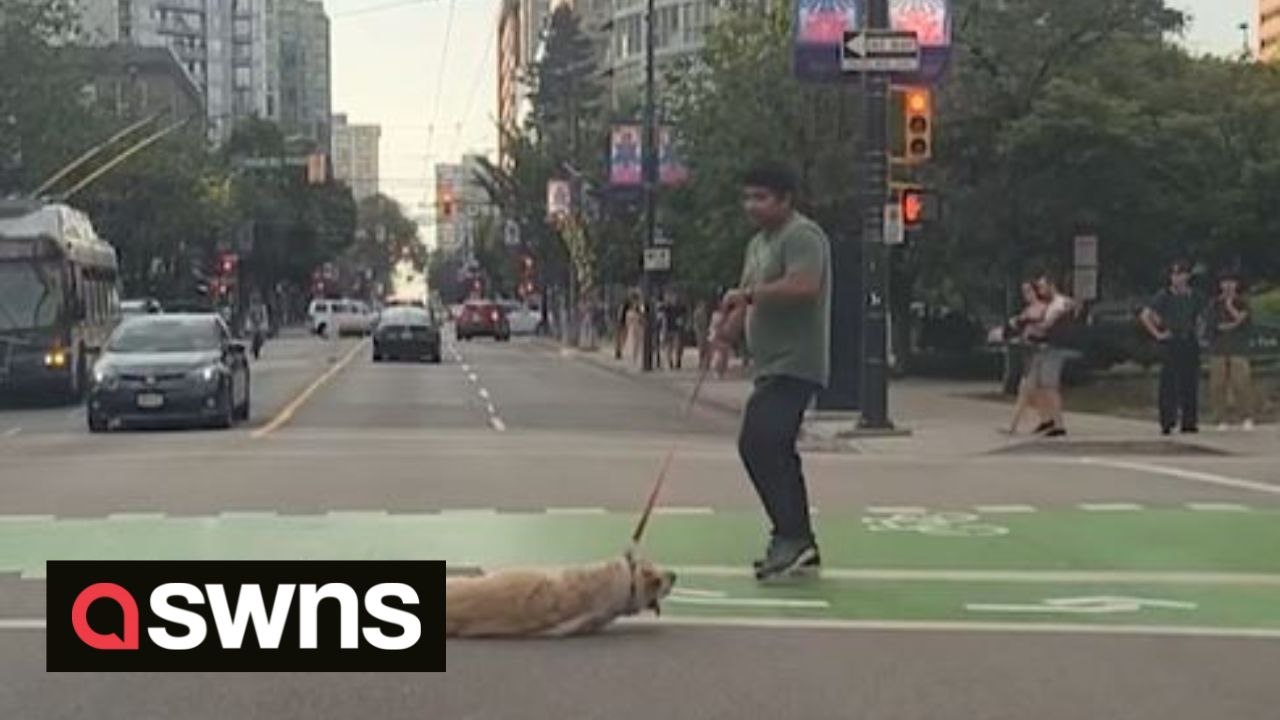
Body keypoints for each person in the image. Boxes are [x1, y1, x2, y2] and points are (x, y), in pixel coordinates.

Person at [714, 162, 831, 582]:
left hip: (796, 361)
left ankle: (793, 536)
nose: (752, 206)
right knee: (772, 447)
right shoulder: (757, 244)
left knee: (760, 442)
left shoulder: (802, 235)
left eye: (761, 197)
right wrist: (725, 337)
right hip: (769, 364)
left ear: (785, 199)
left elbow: (804, 286)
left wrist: (748, 294)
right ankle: (796, 539)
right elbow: (744, 301)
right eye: (747, 197)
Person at [1140, 261, 1209, 435]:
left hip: (1189, 340)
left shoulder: (1195, 296)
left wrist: (1200, 335)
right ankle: (1167, 420)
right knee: (1168, 382)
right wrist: (1158, 334)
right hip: (1172, 340)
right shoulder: (1164, 295)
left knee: (1190, 381)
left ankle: (1189, 421)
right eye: (1174, 275)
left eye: (1180, 274)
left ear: (1187, 276)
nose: (1176, 278)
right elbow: (1146, 315)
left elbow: (1202, 317)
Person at [1023, 272, 1078, 437]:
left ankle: (1058, 424)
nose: (1040, 290)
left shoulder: (1060, 303)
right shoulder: (1051, 304)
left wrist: (1032, 325)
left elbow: (1049, 324)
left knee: (1049, 386)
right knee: (1036, 386)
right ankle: (1047, 419)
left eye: (1042, 286)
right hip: (1043, 347)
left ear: (1051, 286)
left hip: (1054, 349)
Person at [1208, 270, 1255, 431]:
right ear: (1220, 285)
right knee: (1218, 385)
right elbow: (1215, 326)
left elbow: (1244, 320)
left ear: (1236, 284)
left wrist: (1230, 306)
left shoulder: (1243, 302)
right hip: (1218, 349)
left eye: (1231, 282)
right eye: (1225, 282)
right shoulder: (1214, 304)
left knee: (1241, 383)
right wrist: (1234, 324)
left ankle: (1246, 417)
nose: (1228, 285)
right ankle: (1220, 419)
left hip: (1238, 349)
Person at [1006, 281, 1048, 434]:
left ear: (1036, 291)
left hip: (1038, 353)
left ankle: (1012, 426)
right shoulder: (1027, 310)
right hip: (1028, 352)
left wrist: (1027, 323)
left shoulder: (1043, 308)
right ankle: (1046, 420)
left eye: (1029, 291)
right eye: (1024, 292)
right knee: (1033, 392)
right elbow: (1020, 327)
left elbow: (1043, 328)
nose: (1026, 295)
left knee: (1024, 390)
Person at [661, 291, 687, 370]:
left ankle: (677, 361)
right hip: (669, 329)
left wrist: (682, 321)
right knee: (669, 346)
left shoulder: (680, 307)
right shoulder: (666, 307)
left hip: (677, 329)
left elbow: (684, 315)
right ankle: (670, 361)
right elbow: (662, 315)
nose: (673, 299)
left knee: (678, 346)